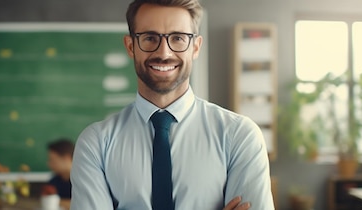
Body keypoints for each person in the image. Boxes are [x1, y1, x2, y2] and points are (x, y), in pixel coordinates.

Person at [70, 0, 274, 209]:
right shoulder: (96, 144)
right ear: (131, 47)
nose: (164, 53)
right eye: (150, 38)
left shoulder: (239, 136)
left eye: (178, 38)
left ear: (195, 47)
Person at [46, 138, 75, 209]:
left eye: (52, 160)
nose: (49, 164)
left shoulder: (84, 180)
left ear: (66, 158)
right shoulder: (54, 182)